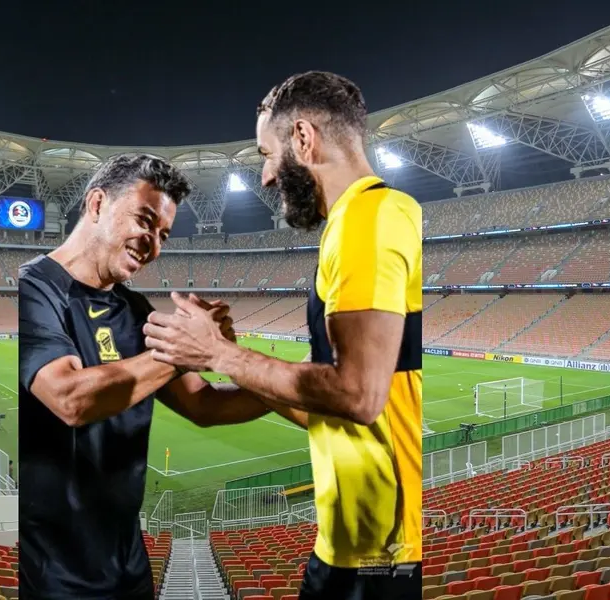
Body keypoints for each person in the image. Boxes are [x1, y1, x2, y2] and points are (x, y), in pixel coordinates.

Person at [144, 71, 422, 599]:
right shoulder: (360, 220)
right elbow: (341, 410)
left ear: (303, 138)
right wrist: (226, 365)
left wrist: (219, 352)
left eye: (266, 154)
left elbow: (357, 396)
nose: (267, 177)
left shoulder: (367, 219)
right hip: (355, 547)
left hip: (377, 557)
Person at [19, 153, 304, 600]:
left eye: (163, 234)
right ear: (97, 204)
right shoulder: (34, 288)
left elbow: (204, 405)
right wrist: (187, 351)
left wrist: (267, 373)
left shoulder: (134, 311)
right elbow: (69, 398)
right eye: (144, 220)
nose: (151, 243)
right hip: (57, 574)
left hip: (131, 565)